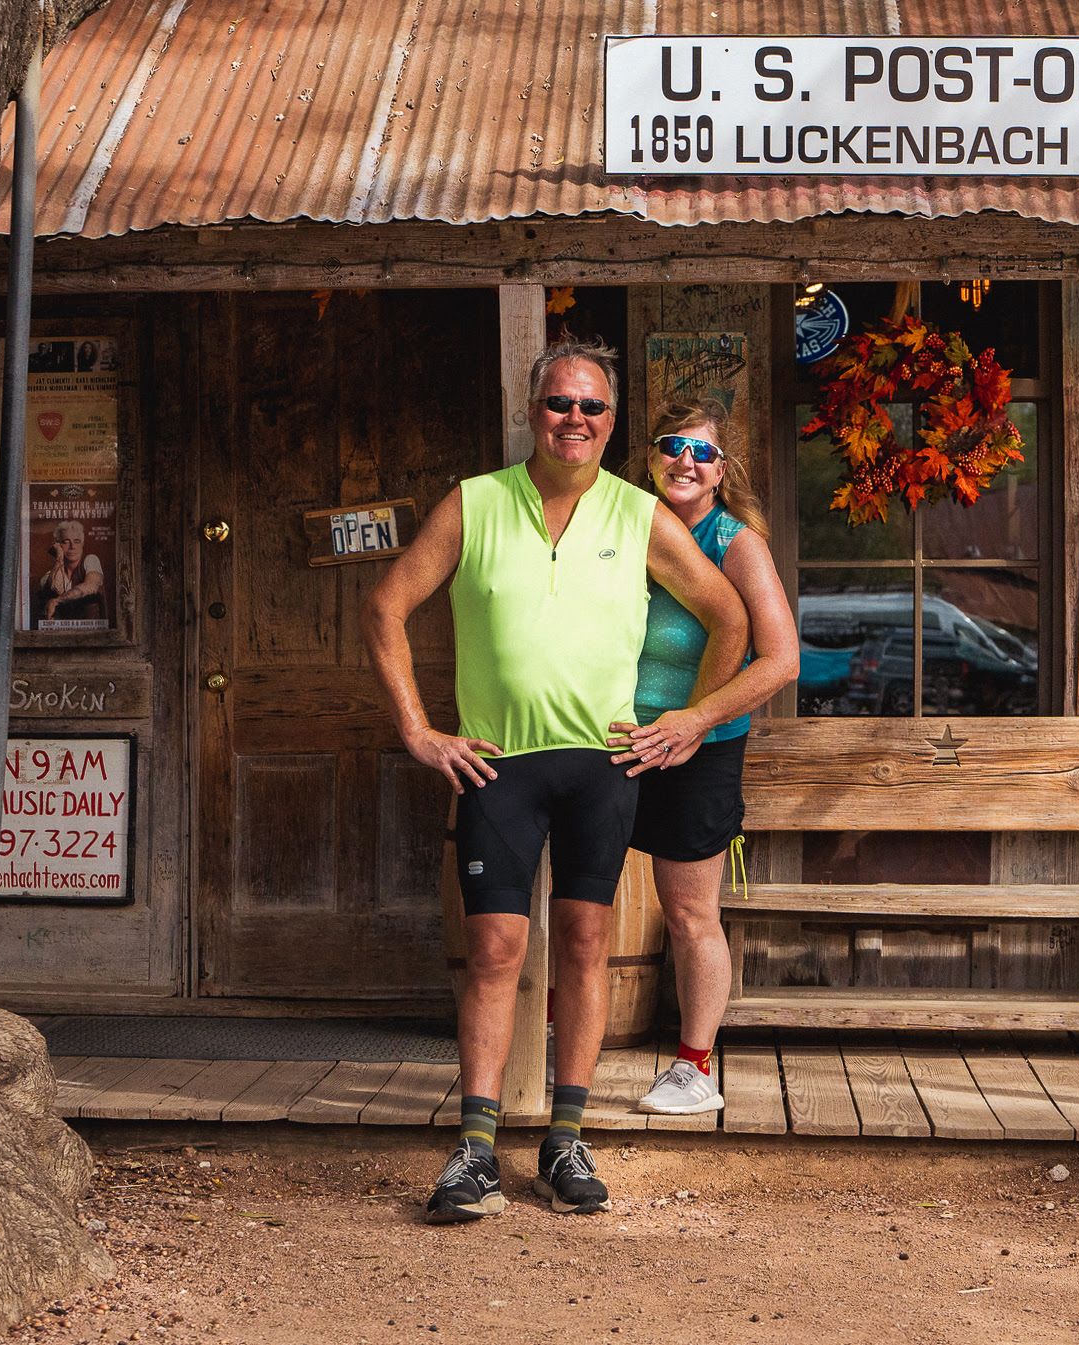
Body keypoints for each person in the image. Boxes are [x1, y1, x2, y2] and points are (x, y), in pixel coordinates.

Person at [363, 340, 747, 1224]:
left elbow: (728, 616)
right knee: (494, 951)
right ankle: (473, 1151)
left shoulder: (639, 512)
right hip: (497, 763)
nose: (575, 418)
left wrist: (689, 722)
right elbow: (386, 604)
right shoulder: (475, 503)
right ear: (533, 412)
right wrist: (418, 731)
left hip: (601, 764)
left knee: (583, 944)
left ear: (612, 423)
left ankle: (565, 1137)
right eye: (559, 404)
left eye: (593, 407)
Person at [609, 400, 799, 1115]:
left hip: (700, 748)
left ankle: (693, 1068)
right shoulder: (621, 530)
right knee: (579, 897)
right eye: (671, 445)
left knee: (689, 913)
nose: (684, 460)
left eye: (702, 451)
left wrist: (693, 719)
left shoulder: (735, 542)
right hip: (616, 742)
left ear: (722, 471)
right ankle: (556, 1046)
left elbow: (780, 661)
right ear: (651, 459)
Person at [34, 519, 105, 624]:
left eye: (77, 541)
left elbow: (90, 586)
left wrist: (57, 601)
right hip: (61, 634)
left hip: (91, 633)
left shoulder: (90, 560)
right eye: (65, 542)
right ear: (58, 544)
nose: (72, 546)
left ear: (82, 544)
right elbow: (57, 588)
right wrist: (59, 555)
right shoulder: (49, 576)